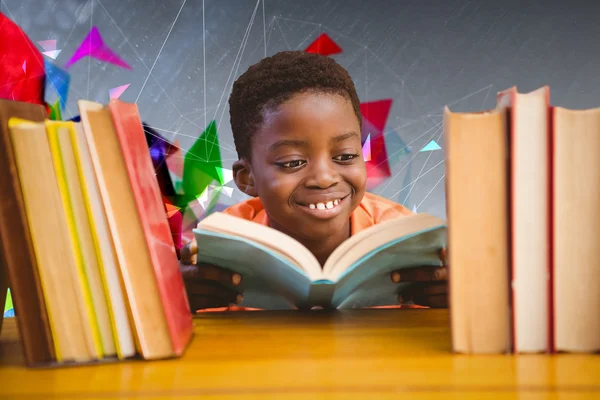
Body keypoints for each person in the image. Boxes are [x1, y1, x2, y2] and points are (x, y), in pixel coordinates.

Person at [179, 50, 448, 312]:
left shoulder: (403, 236)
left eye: (345, 156)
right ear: (248, 178)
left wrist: (456, 294)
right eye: (292, 162)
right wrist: (176, 299)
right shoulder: (219, 246)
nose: (324, 178)